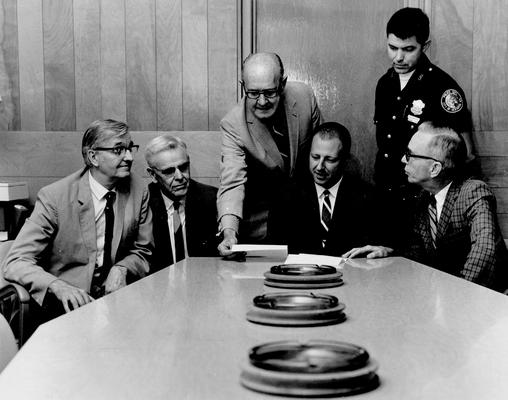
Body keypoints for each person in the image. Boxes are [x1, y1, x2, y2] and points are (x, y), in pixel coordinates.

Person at [2, 119, 153, 319]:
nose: (129, 157)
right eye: (119, 150)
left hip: (118, 302)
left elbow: (144, 249)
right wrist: (57, 286)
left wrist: (122, 268)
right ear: (93, 157)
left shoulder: (139, 189)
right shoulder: (55, 197)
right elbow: (17, 261)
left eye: (130, 147)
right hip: (66, 307)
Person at [345, 122, 508, 292]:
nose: (403, 159)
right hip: (446, 300)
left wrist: (456, 299)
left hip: (485, 302)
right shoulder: (423, 198)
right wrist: (389, 254)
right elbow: (419, 258)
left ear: (435, 168)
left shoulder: (474, 192)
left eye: (410, 154)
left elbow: (484, 254)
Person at [217, 52, 322, 256]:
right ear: (243, 86)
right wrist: (229, 234)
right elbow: (232, 183)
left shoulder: (304, 97)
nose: (262, 101)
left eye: (270, 92)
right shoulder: (232, 124)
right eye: (253, 93)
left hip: (308, 214)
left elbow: (324, 148)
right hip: (262, 224)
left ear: (282, 84)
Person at [374, 7, 475, 195]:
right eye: (392, 48)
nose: (398, 57)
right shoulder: (384, 84)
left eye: (408, 49)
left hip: (422, 197)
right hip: (385, 191)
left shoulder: (444, 88)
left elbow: (466, 155)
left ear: (425, 46)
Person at [268, 122, 387, 257]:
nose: (319, 167)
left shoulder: (368, 197)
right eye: (315, 157)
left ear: (345, 160)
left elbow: (381, 247)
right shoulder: (286, 195)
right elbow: (275, 252)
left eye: (329, 160)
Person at [145, 134, 218, 272]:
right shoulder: (143, 204)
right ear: (153, 175)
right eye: (169, 171)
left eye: (183, 167)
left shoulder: (212, 199)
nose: (180, 177)